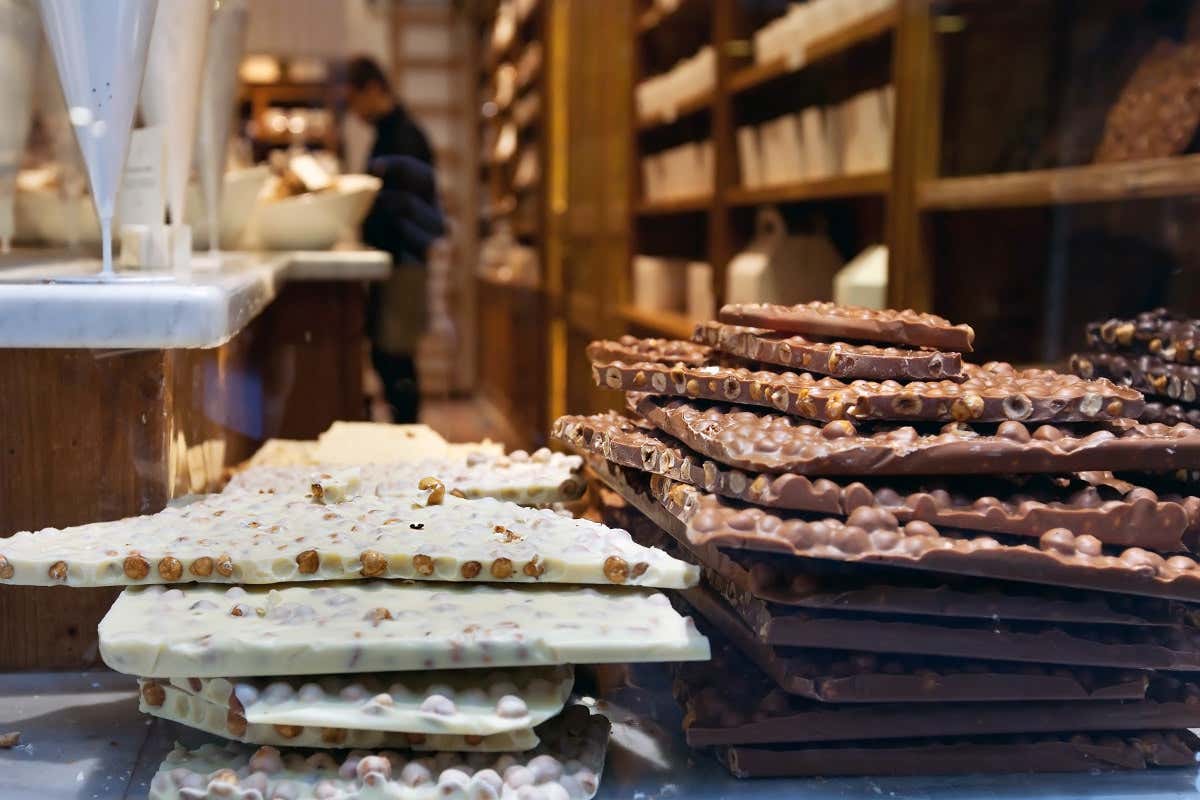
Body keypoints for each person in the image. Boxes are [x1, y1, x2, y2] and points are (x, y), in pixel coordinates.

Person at [342, 55, 445, 423]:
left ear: (373, 89)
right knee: (387, 357)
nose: (353, 112)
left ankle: (408, 438)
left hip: (404, 263)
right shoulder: (388, 135)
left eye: (354, 101)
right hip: (394, 264)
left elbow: (413, 211)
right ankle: (403, 435)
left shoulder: (404, 137)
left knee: (396, 358)